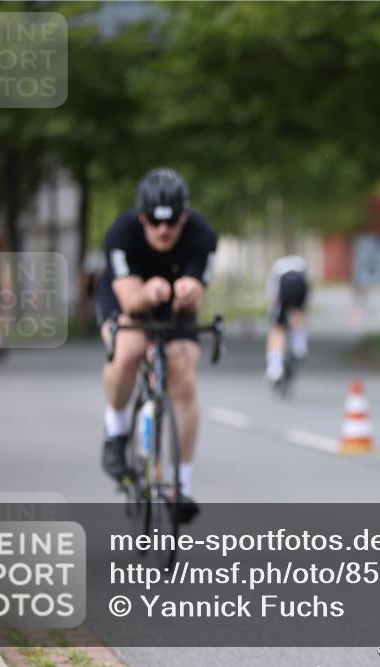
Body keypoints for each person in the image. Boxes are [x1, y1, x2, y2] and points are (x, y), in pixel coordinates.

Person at [96, 168, 218, 521]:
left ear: (184, 216)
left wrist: (188, 294)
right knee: (129, 350)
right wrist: (147, 292)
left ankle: (179, 485)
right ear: (141, 216)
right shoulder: (121, 233)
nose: (163, 230)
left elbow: (196, 298)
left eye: (172, 222)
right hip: (126, 296)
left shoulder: (202, 234)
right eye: (154, 221)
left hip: (172, 307)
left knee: (183, 375)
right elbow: (131, 300)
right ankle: (116, 426)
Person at [264, 255, 309, 382]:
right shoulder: (301, 264)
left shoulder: (276, 267)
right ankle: (299, 345)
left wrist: (273, 310)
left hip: (283, 285)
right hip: (300, 285)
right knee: (298, 314)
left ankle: (274, 366)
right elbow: (307, 289)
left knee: (277, 329)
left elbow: (272, 294)